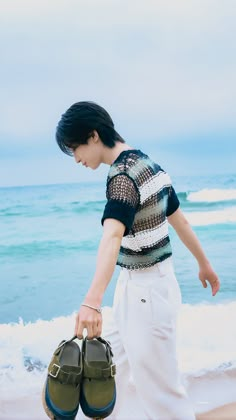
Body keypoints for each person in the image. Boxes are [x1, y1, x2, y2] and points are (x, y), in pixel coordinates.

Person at [56, 101, 220, 420]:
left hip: (147, 294)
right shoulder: (149, 165)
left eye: (75, 148)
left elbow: (112, 236)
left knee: (163, 396)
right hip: (141, 288)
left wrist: (91, 301)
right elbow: (179, 220)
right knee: (103, 375)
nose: (76, 158)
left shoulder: (121, 176)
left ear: (93, 136)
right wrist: (205, 263)